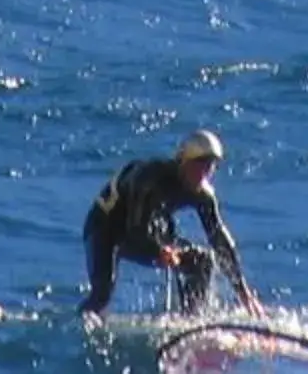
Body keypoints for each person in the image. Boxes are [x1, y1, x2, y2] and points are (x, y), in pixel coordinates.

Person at [80, 130, 257, 318]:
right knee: (102, 294)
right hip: (106, 229)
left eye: (209, 167)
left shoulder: (203, 195)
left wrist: (242, 291)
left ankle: (193, 320)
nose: (203, 174)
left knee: (201, 261)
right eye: (198, 166)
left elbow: (219, 239)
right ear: (183, 162)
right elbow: (136, 229)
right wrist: (159, 250)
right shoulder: (150, 179)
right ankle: (83, 321)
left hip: (147, 230)